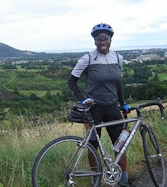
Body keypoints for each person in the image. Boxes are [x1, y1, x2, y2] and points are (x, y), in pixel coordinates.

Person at [68, 23, 135, 187]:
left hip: (112, 108)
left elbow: (117, 84)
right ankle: (95, 180)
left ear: (111, 39)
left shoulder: (118, 58)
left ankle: (123, 179)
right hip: (94, 109)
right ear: (95, 41)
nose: (102, 41)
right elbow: (72, 81)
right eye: (98, 39)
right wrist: (82, 99)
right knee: (92, 145)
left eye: (105, 38)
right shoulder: (88, 58)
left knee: (120, 144)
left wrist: (122, 103)